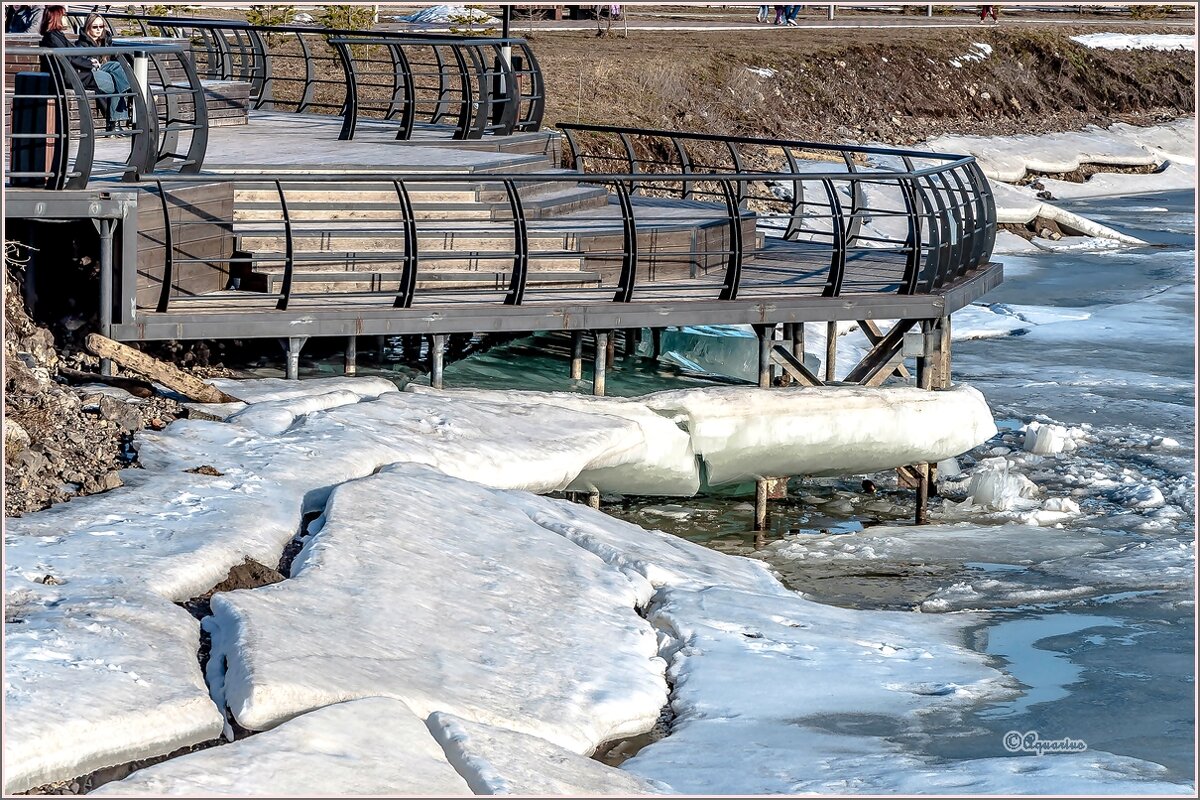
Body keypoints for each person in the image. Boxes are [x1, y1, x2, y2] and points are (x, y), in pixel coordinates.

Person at [41, 7, 131, 129]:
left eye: (101, 27)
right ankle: (115, 122)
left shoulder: (57, 36)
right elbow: (70, 59)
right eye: (63, 16)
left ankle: (129, 90)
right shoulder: (52, 38)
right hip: (76, 75)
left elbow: (73, 55)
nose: (66, 19)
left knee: (115, 66)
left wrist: (89, 61)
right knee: (116, 82)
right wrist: (90, 64)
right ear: (56, 18)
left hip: (81, 71)